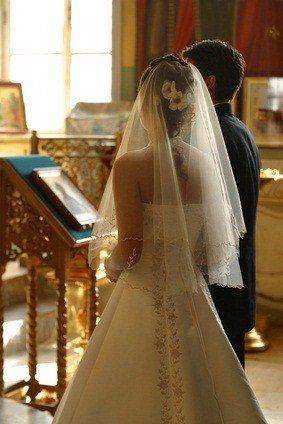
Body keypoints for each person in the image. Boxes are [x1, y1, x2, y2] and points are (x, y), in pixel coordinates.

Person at [53, 55, 266, 423]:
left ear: (148, 104)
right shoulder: (205, 164)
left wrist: (110, 265)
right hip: (190, 295)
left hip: (142, 294)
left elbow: (131, 248)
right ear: (190, 108)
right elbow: (209, 253)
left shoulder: (130, 165)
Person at [182, 40, 261, 368]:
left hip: (219, 285)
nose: (183, 81)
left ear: (209, 81)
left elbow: (209, 221)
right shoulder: (239, 129)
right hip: (234, 281)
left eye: (190, 72)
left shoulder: (215, 138)